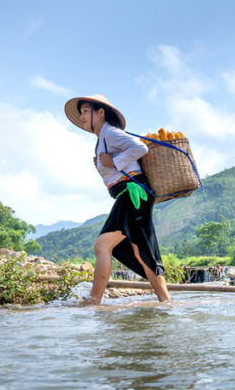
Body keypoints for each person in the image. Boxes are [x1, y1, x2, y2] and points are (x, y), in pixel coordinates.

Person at [64, 94, 170, 304]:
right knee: (140, 251)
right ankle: (165, 302)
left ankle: (94, 300)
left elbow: (140, 147)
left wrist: (113, 160)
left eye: (86, 111)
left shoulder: (110, 132)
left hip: (132, 194)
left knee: (104, 246)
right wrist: (106, 165)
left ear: (100, 113)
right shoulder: (102, 138)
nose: (82, 116)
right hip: (128, 195)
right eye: (81, 112)